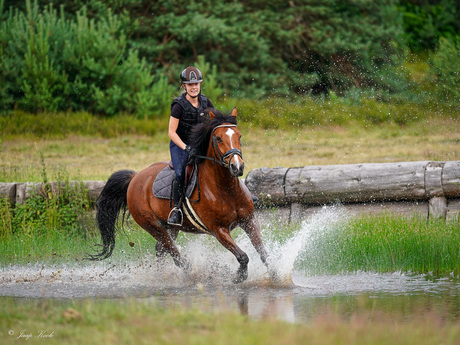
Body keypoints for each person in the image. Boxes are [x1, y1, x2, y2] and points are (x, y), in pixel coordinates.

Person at [167, 66, 214, 226]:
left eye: (196, 84)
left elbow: (215, 121)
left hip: (199, 143)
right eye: (190, 85)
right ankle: (177, 210)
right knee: (180, 173)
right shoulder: (178, 106)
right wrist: (186, 148)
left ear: (200, 84)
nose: (194, 87)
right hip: (180, 145)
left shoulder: (206, 101)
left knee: (224, 159)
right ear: (184, 86)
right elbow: (171, 132)